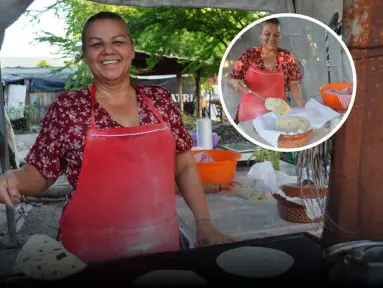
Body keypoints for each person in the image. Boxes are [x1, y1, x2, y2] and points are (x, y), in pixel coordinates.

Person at [0, 11, 233, 263]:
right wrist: (13, 179)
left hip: (160, 243)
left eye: (118, 42)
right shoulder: (68, 107)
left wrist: (204, 222)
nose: (108, 51)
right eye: (96, 44)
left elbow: (185, 165)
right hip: (87, 251)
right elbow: (41, 173)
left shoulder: (159, 100)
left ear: (132, 49)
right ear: (84, 53)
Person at [227, 18, 306, 123]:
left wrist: (301, 102)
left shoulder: (286, 57)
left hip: (277, 116)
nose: (272, 38)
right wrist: (235, 83)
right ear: (261, 35)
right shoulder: (250, 54)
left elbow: (294, 83)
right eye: (267, 34)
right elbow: (231, 78)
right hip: (249, 117)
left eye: (276, 35)